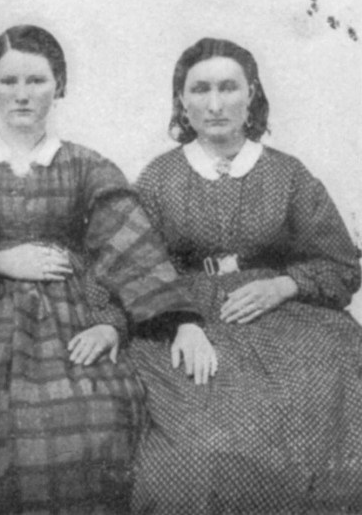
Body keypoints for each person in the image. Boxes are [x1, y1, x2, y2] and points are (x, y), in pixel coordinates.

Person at [0, 25, 212, 515]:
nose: (21, 94)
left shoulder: (85, 166)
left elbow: (129, 245)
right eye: (8, 80)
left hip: (65, 316)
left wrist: (181, 321)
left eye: (36, 80)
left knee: (90, 420)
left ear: (59, 86)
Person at [130, 37, 362, 514]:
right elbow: (133, 264)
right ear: (182, 101)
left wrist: (284, 285)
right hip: (187, 320)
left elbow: (340, 263)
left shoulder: (287, 175)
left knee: (323, 397)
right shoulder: (158, 177)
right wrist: (179, 321)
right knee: (203, 438)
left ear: (251, 94)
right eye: (200, 90)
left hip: (282, 319)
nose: (215, 104)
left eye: (229, 88)